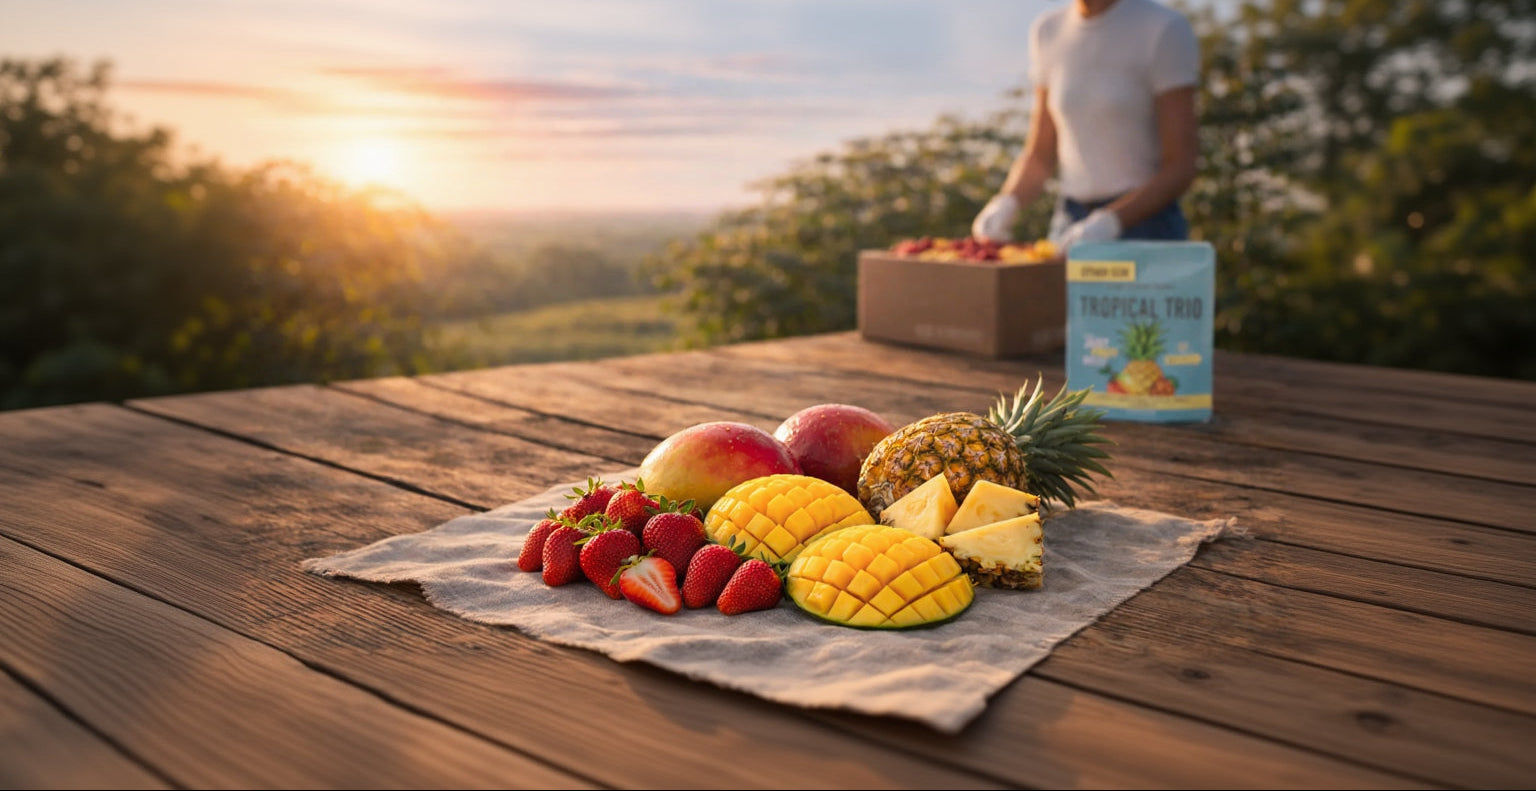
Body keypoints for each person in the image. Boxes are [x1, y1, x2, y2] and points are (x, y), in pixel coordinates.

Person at [971, 0, 1200, 251]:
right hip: (1070, 222)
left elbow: (1180, 165)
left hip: (1147, 227)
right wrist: (1006, 202)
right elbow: (1041, 154)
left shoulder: (1163, 28)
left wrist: (1110, 222)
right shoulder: (1048, 31)